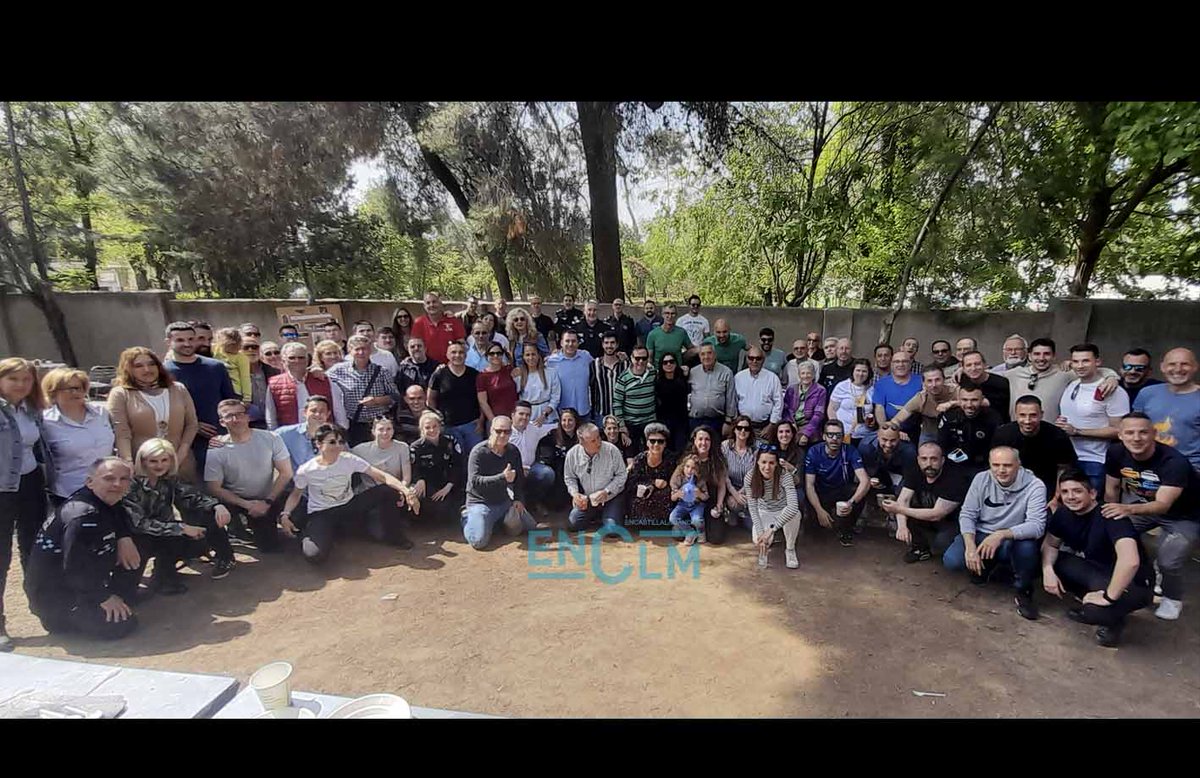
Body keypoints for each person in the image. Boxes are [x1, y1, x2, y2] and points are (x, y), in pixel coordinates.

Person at [24, 457, 141, 640]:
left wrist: (124, 537)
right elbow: (73, 566)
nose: (117, 484)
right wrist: (103, 597)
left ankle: (115, 596)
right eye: (109, 478)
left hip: (73, 584)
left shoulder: (102, 498)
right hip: (55, 597)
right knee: (122, 625)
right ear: (90, 482)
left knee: (139, 540)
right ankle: (70, 617)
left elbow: (117, 512)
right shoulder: (84, 516)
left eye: (124, 479)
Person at [1103, 412, 1200, 621]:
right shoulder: (1116, 452)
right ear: (1120, 435)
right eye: (1129, 432)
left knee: (1168, 561)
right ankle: (1125, 577)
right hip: (1145, 507)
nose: (1136, 438)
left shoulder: (1174, 462)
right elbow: (1111, 489)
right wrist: (1110, 515)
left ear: (1154, 434)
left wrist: (1127, 509)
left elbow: (1163, 506)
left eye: (1143, 432)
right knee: (1108, 531)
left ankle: (1172, 597)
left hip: (1184, 515)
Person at [1042, 469, 1154, 647]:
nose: (1071, 497)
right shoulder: (1063, 514)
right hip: (1095, 570)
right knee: (1047, 561)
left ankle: (1113, 621)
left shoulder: (1110, 515)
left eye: (1077, 491)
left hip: (1133, 582)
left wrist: (1108, 597)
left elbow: (1130, 561)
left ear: (1092, 493)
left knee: (1094, 611)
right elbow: (1050, 545)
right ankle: (1093, 598)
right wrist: (1047, 569)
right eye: (1065, 492)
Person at [280, 424, 415, 563]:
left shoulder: (348, 459)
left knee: (388, 490)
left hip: (349, 505)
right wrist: (285, 514)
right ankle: (318, 533)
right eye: (332, 442)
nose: (337, 446)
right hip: (322, 512)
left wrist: (406, 490)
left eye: (340, 441)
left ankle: (392, 535)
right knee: (314, 555)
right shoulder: (307, 470)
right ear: (319, 444)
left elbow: (381, 476)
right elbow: (295, 494)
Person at [944, 446, 1047, 620]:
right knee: (952, 560)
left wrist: (1000, 534)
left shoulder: (1035, 485)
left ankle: (1024, 591)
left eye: (1007, 465)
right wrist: (970, 547)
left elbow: (1037, 526)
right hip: (982, 533)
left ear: (1018, 465)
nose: (1001, 470)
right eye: (996, 465)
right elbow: (968, 514)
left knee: (1027, 548)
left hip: (1012, 538)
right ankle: (987, 567)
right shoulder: (981, 479)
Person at [128, 438, 235, 591]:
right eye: (153, 461)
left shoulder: (168, 479)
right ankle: (161, 576)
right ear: (143, 461)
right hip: (136, 539)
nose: (159, 465)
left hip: (167, 533)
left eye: (164, 460)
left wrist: (216, 505)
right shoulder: (130, 484)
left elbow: (191, 496)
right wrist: (181, 528)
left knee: (207, 513)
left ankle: (225, 558)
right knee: (128, 594)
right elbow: (139, 524)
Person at [0, 358, 52, 651]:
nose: (20, 385)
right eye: (13, 379)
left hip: (30, 483)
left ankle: (44, 607)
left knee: (34, 550)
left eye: (26, 380)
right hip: (1, 490)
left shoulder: (30, 410)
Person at [206, 400, 296, 553]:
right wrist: (247, 505)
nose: (236, 419)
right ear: (222, 422)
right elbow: (214, 487)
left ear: (248, 417)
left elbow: (286, 473)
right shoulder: (216, 449)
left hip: (268, 497)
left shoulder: (271, 438)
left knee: (269, 546)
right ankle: (226, 550)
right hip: (237, 501)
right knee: (208, 513)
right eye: (229, 416)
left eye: (240, 414)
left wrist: (267, 501)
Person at [108, 347, 199, 478]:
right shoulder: (120, 394)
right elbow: (121, 433)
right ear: (128, 369)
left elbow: (192, 424)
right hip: (143, 465)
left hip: (181, 461)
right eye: (138, 366)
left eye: (151, 364)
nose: (147, 370)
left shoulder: (178, 388)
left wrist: (180, 456)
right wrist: (128, 463)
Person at [163, 321, 238, 476]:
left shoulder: (216, 367)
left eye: (191, 339)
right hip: (183, 442)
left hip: (218, 438)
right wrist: (193, 425)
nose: (187, 344)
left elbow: (229, 402)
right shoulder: (162, 373)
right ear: (168, 342)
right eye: (180, 340)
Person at [1057, 343, 1130, 492]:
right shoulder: (1072, 384)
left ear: (1097, 362)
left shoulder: (1111, 390)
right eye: (1076, 361)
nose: (1080, 366)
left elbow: (1119, 431)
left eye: (1085, 361)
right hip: (1068, 458)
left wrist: (1077, 431)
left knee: (1092, 506)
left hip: (1095, 460)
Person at [40, 367, 115, 506]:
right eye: (67, 388)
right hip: (69, 493)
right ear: (53, 392)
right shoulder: (45, 422)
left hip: (109, 490)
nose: (74, 392)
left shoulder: (102, 413)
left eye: (78, 388)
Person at [883, 442, 968, 563]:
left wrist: (899, 509)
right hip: (925, 512)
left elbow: (937, 514)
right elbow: (904, 499)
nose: (928, 464)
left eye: (934, 459)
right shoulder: (914, 469)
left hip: (952, 520)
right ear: (918, 460)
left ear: (942, 460)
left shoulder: (955, 477)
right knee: (904, 512)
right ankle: (920, 549)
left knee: (941, 545)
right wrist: (902, 527)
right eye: (924, 459)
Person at [463, 416, 535, 549]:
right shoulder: (478, 452)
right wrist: (502, 477)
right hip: (480, 503)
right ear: (491, 430)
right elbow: (475, 481)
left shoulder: (513, 451)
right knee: (478, 542)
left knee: (531, 527)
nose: (502, 435)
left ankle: (496, 523)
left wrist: (519, 499)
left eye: (507, 431)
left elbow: (519, 478)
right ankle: (467, 517)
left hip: (503, 502)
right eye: (498, 431)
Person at [1004, 338, 1118, 421]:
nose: (1041, 358)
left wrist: (1111, 377)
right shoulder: (1014, 374)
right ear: (1029, 356)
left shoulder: (1064, 373)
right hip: (1019, 431)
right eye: (1037, 354)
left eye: (1047, 354)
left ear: (1054, 356)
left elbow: (1093, 371)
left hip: (1051, 435)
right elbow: (988, 376)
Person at [992, 395, 1078, 497]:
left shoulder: (1057, 435)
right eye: (1022, 415)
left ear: (1041, 415)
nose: (1027, 421)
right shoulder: (1003, 434)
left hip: (1047, 486)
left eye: (1033, 415)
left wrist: (1057, 496)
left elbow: (1064, 468)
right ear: (1015, 415)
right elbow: (994, 465)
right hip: (1011, 487)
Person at [804, 419, 870, 547]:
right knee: (815, 535)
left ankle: (846, 529)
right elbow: (809, 485)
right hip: (821, 491)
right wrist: (819, 511)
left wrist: (851, 502)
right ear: (824, 436)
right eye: (830, 435)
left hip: (842, 491)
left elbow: (865, 480)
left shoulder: (850, 451)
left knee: (859, 492)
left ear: (843, 437)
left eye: (838, 435)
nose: (834, 439)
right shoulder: (814, 452)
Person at [1133, 347, 1199, 474]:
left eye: (1185, 364)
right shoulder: (1147, 393)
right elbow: (1132, 427)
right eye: (1172, 364)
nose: (1178, 369)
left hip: (1190, 469)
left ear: (1195, 367)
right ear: (1162, 367)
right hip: (1146, 466)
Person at [352, 417, 419, 538]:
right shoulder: (359, 450)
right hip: (371, 494)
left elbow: (406, 477)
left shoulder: (402, 447)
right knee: (379, 533)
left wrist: (402, 491)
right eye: (380, 429)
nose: (385, 433)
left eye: (389, 429)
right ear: (373, 431)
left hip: (397, 492)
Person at [327, 334, 399, 447]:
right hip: (355, 425)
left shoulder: (381, 371)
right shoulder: (338, 370)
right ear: (350, 351)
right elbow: (322, 378)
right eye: (357, 349)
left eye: (364, 349)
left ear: (370, 350)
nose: (361, 352)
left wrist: (377, 401)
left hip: (379, 423)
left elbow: (395, 397)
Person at [564, 422, 628, 536]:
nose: (598, 442)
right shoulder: (572, 454)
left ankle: (608, 516)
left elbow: (622, 475)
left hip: (611, 497)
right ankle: (598, 516)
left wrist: (606, 491)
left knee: (612, 530)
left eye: (598, 437)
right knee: (573, 524)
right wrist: (575, 494)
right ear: (582, 443)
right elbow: (569, 477)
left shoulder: (612, 450)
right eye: (593, 441)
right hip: (588, 498)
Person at [267, 342, 345, 430]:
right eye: (292, 358)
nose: (297, 361)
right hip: (291, 437)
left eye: (301, 357)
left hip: (323, 435)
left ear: (307, 360)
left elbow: (339, 411)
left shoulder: (323, 380)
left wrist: (341, 431)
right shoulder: (274, 383)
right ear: (284, 360)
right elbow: (271, 417)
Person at [747, 447, 802, 569]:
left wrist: (771, 530)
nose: (767, 467)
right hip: (764, 511)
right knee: (757, 539)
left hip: (783, 510)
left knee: (796, 514)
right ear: (758, 462)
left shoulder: (785, 476)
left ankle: (790, 549)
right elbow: (752, 507)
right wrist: (762, 533)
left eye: (771, 463)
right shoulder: (750, 477)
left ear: (777, 464)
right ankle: (764, 548)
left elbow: (793, 507)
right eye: (764, 462)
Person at [410, 411, 466, 524]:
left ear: (440, 426)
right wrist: (419, 479)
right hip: (427, 485)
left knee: (450, 511)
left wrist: (449, 486)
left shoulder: (450, 441)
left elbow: (458, 465)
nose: (432, 430)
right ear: (421, 429)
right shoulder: (415, 447)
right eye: (427, 427)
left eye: (435, 426)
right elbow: (413, 468)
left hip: (448, 484)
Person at [428, 341, 483, 454]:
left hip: (472, 425)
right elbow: (430, 400)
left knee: (476, 456)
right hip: (449, 426)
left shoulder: (474, 374)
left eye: (461, 352)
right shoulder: (439, 374)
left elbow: (482, 400)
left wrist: (481, 421)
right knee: (455, 461)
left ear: (466, 355)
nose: (457, 355)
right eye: (453, 352)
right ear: (447, 355)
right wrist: (438, 419)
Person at [937, 382, 1002, 477]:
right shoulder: (949, 417)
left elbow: (998, 448)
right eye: (965, 400)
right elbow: (942, 444)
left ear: (982, 400)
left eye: (974, 400)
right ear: (959, 400)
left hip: (983, 466)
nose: (969, 405)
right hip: (954, 464)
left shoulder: (993, 418)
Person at [624, 423, 676, 533]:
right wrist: (651, 483)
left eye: (660, 441)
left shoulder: (670, 459)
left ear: (665, 444)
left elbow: (676, 482)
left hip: (662, 499)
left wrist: (665, 484)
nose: (656, 444)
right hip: (642, 496)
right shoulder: (639, 459)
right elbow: (630, 484)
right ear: (647, 443)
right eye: (652, 441)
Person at [681, 425, 729, 544]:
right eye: (700, 439)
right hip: (692, 503)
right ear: (695, 441)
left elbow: (722, 486)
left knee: (716, 538)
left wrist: (719, 505)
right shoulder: (687, 460)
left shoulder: (718, 460)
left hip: (711, 502)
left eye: (707, 439)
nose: (704, 443)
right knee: (678, 533)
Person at [883, 365, 954, 445]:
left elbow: (969, 403)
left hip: (953, 432)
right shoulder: (921, 398)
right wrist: (897, 430)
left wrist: (952, 403)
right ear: (923, 383)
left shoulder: (955, 392)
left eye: (937, 380)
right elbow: (896, 420)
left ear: (944, 380)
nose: (934, 385)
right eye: (929, 381)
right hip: (930, 434)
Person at [528, 408, 580, 513]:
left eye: (570, 420)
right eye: (564, 420)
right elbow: (546, 458)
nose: (567, 423)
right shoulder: (552, 436)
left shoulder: (581, 436)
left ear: (576, 422)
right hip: (557, 474)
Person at [613, 345, 658, 450]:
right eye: (637, 358)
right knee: (632, 456)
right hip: (631, 424)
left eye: (644, 358)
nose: (640, 361)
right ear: (632, 358)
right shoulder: (623, 378)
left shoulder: (653, 373)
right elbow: (617, 404)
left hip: (650, 421)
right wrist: (622, 427)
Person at [689, 343, 737, 439]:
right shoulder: (693, 372)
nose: (706, 357)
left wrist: (728, 421)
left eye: (709, 353)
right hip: (696, 421)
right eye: (703, 354)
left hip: (717, 421)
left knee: (715, 450)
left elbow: (730, 398)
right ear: (699, 356)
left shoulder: (726, 372)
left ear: (715, 355)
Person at [948, 351, 1012, 422]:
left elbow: (984, 403)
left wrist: (952, 404)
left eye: (977, 364)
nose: (973, 368)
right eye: (968, 365)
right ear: (963, 368)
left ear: (984, 365)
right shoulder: (961, 379)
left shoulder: (1000, 383)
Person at [735, 346, 783, 440]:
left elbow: (779, 403)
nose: (754, 361)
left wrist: (772, 425)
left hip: (765, 427)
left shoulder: (772, 378)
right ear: (747, 359)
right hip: (743, 428)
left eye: (758, 358)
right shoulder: (738, 378)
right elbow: (734, 402)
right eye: (751, 358)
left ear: (763, 360)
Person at [872, 349, 921, 439]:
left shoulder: (921, 381)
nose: (900, 364)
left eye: (904, 361)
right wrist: (886, 429)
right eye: (897, 362)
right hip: (888, 429)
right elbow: (879, 408)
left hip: (915, 430)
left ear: (910, 364)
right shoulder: (882, 383)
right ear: (891, 364)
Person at [546, 331, 593, 423]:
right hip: (562, 412)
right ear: (561, 343)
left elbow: (601, 364)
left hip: (583, 410)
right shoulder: (551, 361)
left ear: (578, 343)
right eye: (567, 341)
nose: (570, 344)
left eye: (573, 341)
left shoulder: (586, 357)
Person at [828, 358, 876, 448]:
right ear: (852, 371)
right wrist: (836, 430)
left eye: (864, 371)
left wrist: (872, 422)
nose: (860, 374)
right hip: (844, 434)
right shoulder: (842, 386)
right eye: (858, 370)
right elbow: (831, 409)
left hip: (864, 436)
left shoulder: (872, 390)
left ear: (869, 373)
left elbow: (874, 412)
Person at [721, 415, 758, 530]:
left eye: (746, 429)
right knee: (733, 504)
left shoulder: (755, 448)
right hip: (730, 489)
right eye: (739, 427)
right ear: (734, 429)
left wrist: (742, 492)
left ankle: (744, 514)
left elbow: (755, 474)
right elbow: (723, 474)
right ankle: (734, 512)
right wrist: (735, 494)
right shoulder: (725, 446)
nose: (743, 431)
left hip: (751, 489)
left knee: (752, 528)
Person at [276, 395, 332, 472]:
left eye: (322, 411)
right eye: (313, 410)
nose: (317, 414)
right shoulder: (285, 433)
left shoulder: (335, 436)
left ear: (328, 414)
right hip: (295, 481)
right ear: (305, 412)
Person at [860, 426, 916, 497]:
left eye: (892, 440)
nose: (888, 444)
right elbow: (867, 473)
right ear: (878, 437)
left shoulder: (909, 450)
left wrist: (897, 496)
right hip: (878, 470)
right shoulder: (866, 446)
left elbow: (909, 479)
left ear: (899, 438)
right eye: (884, 440)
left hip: (899, 473)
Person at [412, 291, 467, 363]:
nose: (431, 305)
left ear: (440, 303)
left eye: (434, 302)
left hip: (450, 366)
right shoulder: (418, 323)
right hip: (427, 367)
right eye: (428, 303)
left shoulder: (454, 321)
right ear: (424, 306)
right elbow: (414, 346)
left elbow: (462, 344)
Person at [515, 346, 561, 431]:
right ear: (523, 357)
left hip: (548, 415)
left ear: (539, 355)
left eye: (533, 354)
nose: (531, 358)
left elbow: (555, 397)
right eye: (527, 355)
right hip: (528, 415)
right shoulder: (519, 375)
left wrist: (544, 415)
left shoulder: (550, 373)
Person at [782, 361, 827, 447]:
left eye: (809, 373)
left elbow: (818, 415)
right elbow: (786, 410)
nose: (805, 376)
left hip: (810, 426)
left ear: (813, 375)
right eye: (803, 373)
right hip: (792, 424)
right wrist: (791, 424)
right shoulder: (791, 389)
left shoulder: (820, 390)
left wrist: (806, 434)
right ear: (799, 375)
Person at [669, 454, 710, 544]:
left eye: (693, 468)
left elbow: (706, 497)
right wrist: (677, 495)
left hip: (697, 505)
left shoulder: (700, 480)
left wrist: (699, 493)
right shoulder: (678, 477)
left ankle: (701, 532)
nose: (689, 470)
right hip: (682, 504)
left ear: (697, 470)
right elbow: (672, 498)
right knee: (673, 518)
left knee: (697, 520)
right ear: (683, 466)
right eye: (687, 466)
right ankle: (690, 532)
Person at [589, 332, 629, 422]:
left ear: (617, 344)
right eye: (606, 343)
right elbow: (590, 389)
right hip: (601, 414)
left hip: (622, 414)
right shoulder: (594, 365)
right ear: (602, 344)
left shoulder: (626, 364)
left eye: (612, 343)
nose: (609, 346)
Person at [242, 334, 279, 429]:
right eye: (246, 347)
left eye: (254, 347)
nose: (251, 350)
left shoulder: (274, 372)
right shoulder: (233, 374)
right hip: (248, 425)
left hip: (273, 422)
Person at [655, 352, 690, 453]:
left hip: (681, 422)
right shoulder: (658, 382)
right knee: (667, 451)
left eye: (671, 361)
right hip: (664, 422)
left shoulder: (683, 379)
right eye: (665, 362)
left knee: (681, 450)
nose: (669, 364)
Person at [476, 342, 519, 423]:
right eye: (492, 353)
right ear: (486, 355)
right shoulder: (482, 376)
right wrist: (493, 421)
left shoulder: (509, 370)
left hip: (515, 417)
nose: (495, 356)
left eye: (498, 353)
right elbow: (483, 402)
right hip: (496, 418)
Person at [645, 304, 690, 370]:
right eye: (667, 313)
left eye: (673, 313)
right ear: (662, 314)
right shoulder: (653, 334)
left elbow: (691, 349)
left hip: (677, 372)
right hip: (659, 373)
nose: (670, 316)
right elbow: (649, 358)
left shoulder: (681, 333)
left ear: (676, 315)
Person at [213, 327, 253, 403]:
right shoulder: (216, 351)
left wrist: (247, 398)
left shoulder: (241, 358)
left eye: (237, 344)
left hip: (234, 391)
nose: (235, 347)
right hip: (217, 389)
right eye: (231, 344)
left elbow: (245, 378)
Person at [510, 402, 544, 471]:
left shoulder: (535, 429)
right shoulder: (505, 431)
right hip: (512, 469)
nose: (524, 417)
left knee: (546, 473)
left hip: (531, 468)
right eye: (521, 414)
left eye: (528, 415)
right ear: (513, 415)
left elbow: (554, 427)